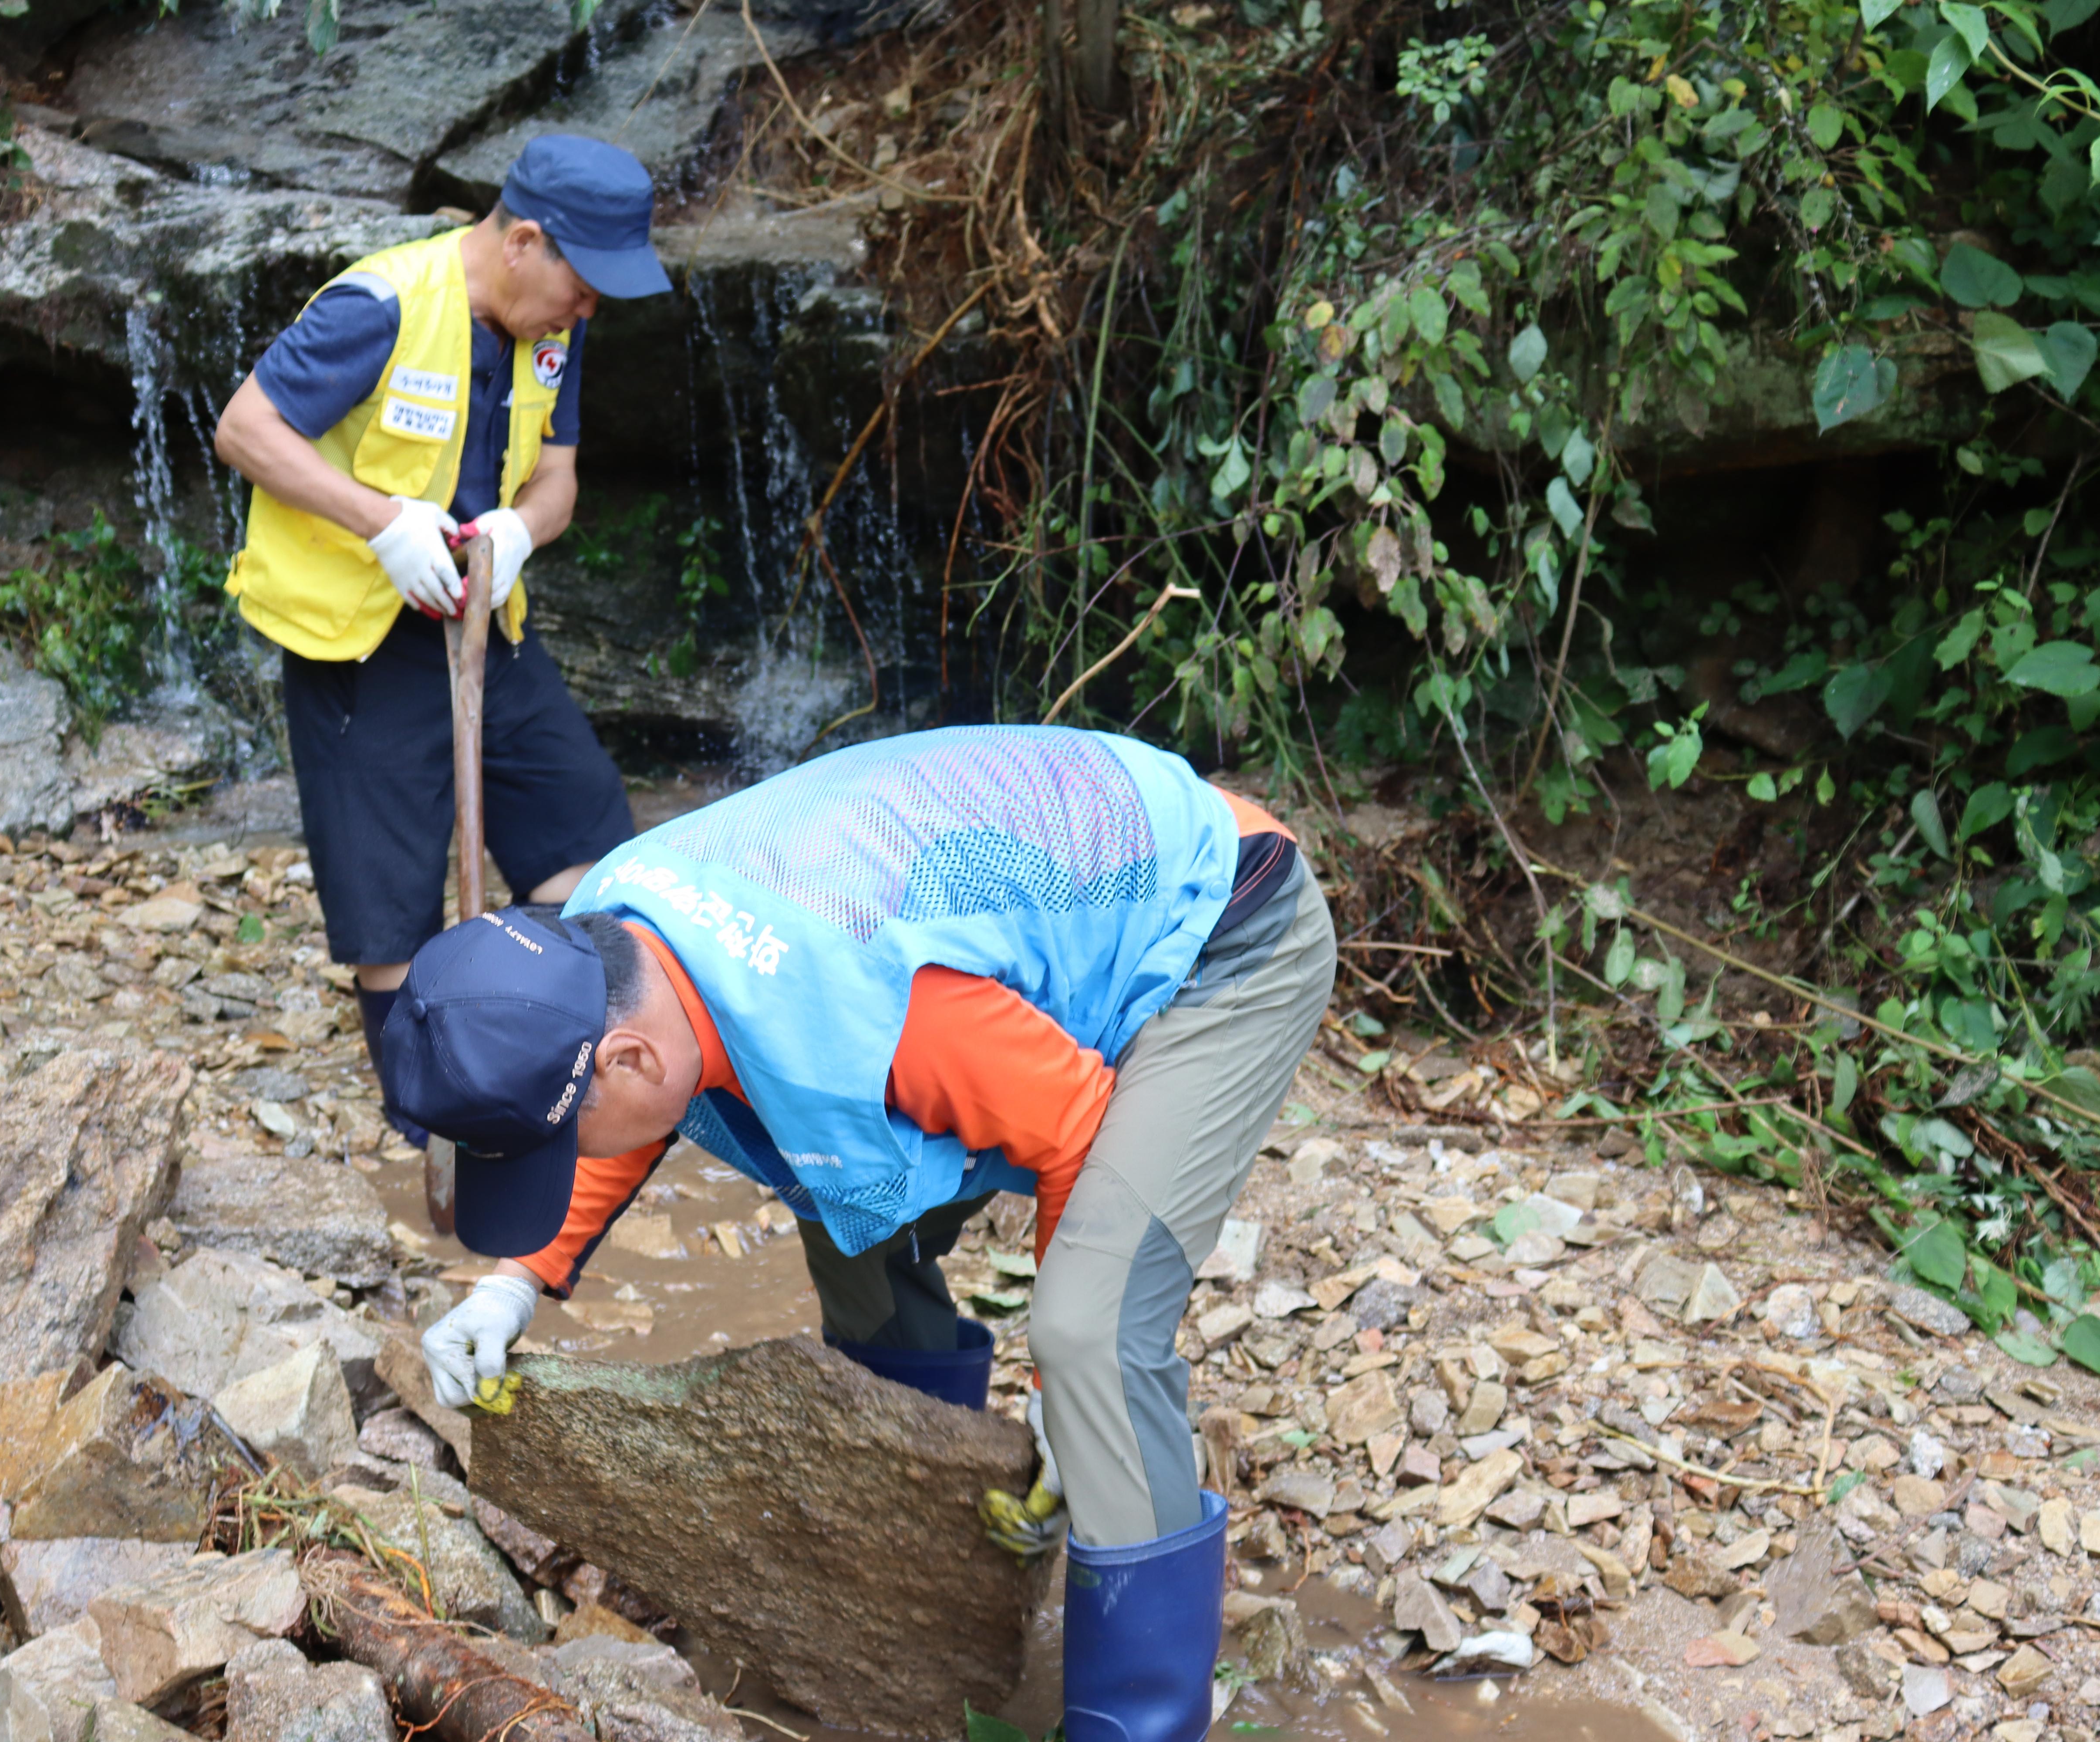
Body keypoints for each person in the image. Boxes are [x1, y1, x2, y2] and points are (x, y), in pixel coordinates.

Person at [378, 726, 1338, 1742]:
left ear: (624, 1056)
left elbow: (1073, 1126)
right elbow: (617, 1101)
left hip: (1223, 928)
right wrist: (513, 1281)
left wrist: (1070, 1400)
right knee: (840, 1192)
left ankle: (1140, 1721)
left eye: (546, 1151)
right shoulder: (606, 944)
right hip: (1005, 957)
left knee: (1091, 1333)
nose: (557, 1162)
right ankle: (933, 1531)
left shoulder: (868, 1008)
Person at [211, 133, 670, 1119]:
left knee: (591, 848)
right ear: (525, 242)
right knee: (391, 904)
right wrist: (382, 523)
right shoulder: (379, 307)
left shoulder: (554, 325)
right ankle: (429, 1124)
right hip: (361, 640)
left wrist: (520, 526)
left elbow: (558, 473)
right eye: (582, 284)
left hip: (485, 627)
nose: (587, 311)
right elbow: (246, 428)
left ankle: (547, 1070)